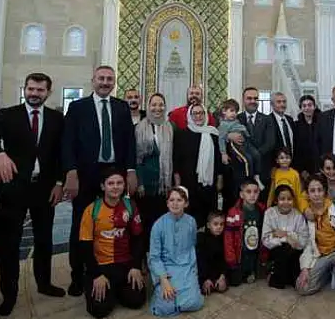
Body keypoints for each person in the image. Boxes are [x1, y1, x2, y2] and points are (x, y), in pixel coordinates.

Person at [0, 72, 66, 314]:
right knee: (10, 243)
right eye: (31, 89)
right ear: (24, 89)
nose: (34, 94)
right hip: (13, 187)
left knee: (44, 239)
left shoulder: (57, 118)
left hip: (45, 189)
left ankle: (44, 283)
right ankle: (9, 295)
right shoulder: (7, 115)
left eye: (40, 90)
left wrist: (59, 183)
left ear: (48, 92)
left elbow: (62, 153)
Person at [62, 65, 137, 296]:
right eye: (101, 78)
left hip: (115, 174)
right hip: (86, 174)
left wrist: (131, 170)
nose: (105, 82)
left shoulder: (121, 107)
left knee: (117, 222)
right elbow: (67, 142)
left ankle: (115, 267)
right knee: (81, 224)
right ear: (93, 80)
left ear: (114, 82)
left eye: (109, 79)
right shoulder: (77, 107)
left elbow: (130, 142)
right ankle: (78, 275)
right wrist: (71, 172)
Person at [79, 169, 146, 318]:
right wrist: (96, 274)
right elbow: (85, 246)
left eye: (119, 183)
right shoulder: (91, 210)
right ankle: (99, 288)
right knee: (99, 310)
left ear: (124, 185)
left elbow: (138, 238)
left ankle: (116, 290)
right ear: (103, 186)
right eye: (111, 183)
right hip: (101, 265)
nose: (115, 187)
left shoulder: (130, 206)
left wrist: (136, 266)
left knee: (136, 301)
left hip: (125, 263)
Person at [296, 175, 335, 296]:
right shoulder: (306, 215)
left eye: (320, 190)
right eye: (312, 191)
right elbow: (308, 245)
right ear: (307, 194)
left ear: (325, 191)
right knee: (302, 288)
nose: (316, 194)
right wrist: (305, 268)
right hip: (320, 255)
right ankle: (327, 274)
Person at [148, 186, 204, 317]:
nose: (175, 203)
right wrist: (164, 280)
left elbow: (191, 247)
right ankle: (160, 293)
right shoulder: (158, 225)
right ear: (167, 203)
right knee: (165, 307)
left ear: (186, 203)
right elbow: (154, 257)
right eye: (172, 200)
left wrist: (193, 272)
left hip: (186, 267)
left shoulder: (191, 222)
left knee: (194, 303)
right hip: (166, 269)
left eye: (179, 200)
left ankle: (184, 295)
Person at [134, 93, 178, 243]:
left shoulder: (171, 127)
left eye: (161, 104)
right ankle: (145, 252)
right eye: (154, 105)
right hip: (146, 184)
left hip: (165, 184)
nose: (157, 108)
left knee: (162, 221)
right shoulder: (139, 128)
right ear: (148, 107)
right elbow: (136, 159)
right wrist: (139, 182)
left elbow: (176, 156)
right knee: (145, 222)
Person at [175, 103, 223, 229]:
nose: (198, 116)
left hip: (209, 184)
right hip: (189, 183)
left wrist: (219, 178)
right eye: (195, 113)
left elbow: (218, 159)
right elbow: (177, 159)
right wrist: (177, 182)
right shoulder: (182, 134)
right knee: (190, 218)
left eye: (201, 113)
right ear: (189, 116)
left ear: (206, 115)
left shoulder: (214, 134)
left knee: (209, 217)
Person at [262, 185, 309, 289]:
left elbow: (303, 240)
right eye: (282, 199)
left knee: (296, 282)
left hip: (295, 251)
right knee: (284, 249)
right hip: (276, 251)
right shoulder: (269, 213)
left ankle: (286, 276)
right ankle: (275, 278)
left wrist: (284, 234)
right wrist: (286, 239)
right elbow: (266, 239)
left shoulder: (298, 215)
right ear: (276, 201)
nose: (286, 202)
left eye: (289, 199)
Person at [224, 179, 267, 286]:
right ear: (241, 194)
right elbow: (228, 238)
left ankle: (253, 271)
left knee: (256, 278)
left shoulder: (262, 209)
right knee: (235, 282)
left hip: (255, 252)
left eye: (255, 191)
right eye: (248, 191)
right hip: (240, 254)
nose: (252, 195)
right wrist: (231, 260)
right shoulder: (233, 212)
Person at [217, 98, 262, 194]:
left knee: (256, 154)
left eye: (236, 111)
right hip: (236, 145)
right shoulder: (223, 125)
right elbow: (221, 139)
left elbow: (242, 128)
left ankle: (257, 176)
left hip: (245, 142)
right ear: (224, 111)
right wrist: (223, 153)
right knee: (247, 159)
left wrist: (246, 133)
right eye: (231, 111)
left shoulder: (236, 120)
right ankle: (249, 180)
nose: (234, 113)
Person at [237, 87, 277, 194]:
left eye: (255, 98)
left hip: (262, 172)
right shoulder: (236, 119)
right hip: (243, 171)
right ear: (243, 100)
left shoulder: (267, 119)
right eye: (249, 98)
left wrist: (254, 155)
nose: (253, 101)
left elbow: (270, 143)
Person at [197, 211, 228, 296]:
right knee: (205, 290)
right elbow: (200, 262)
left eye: (221, 224)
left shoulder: (223, 239)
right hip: (204, 274)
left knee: (222, 287)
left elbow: (224, 260)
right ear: (208, 225)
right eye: (215, 224)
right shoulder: (202, 239)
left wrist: (222, 276)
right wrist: (205, 279)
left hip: (217, 273)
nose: (219, 227)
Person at [267, 147, 307, 212]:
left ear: (291, 159)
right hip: (279, 207)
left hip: (292, 207)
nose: (285, 160)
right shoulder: (275, 173)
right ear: (277, 160)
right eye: (282, 158)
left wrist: (300, 209)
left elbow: (298, 192)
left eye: (287, 157)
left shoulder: (295, 174)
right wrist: (268, 204)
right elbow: (272, 190)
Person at [294, 95, 321, 178]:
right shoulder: (296, 125)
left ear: (314, 106)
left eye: (310, 105)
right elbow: (296, 149)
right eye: (304, 106)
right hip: (303, 169)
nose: (307, 108)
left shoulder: (322, 123)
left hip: (320, 168)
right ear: (301, 108)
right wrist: (301, 169)